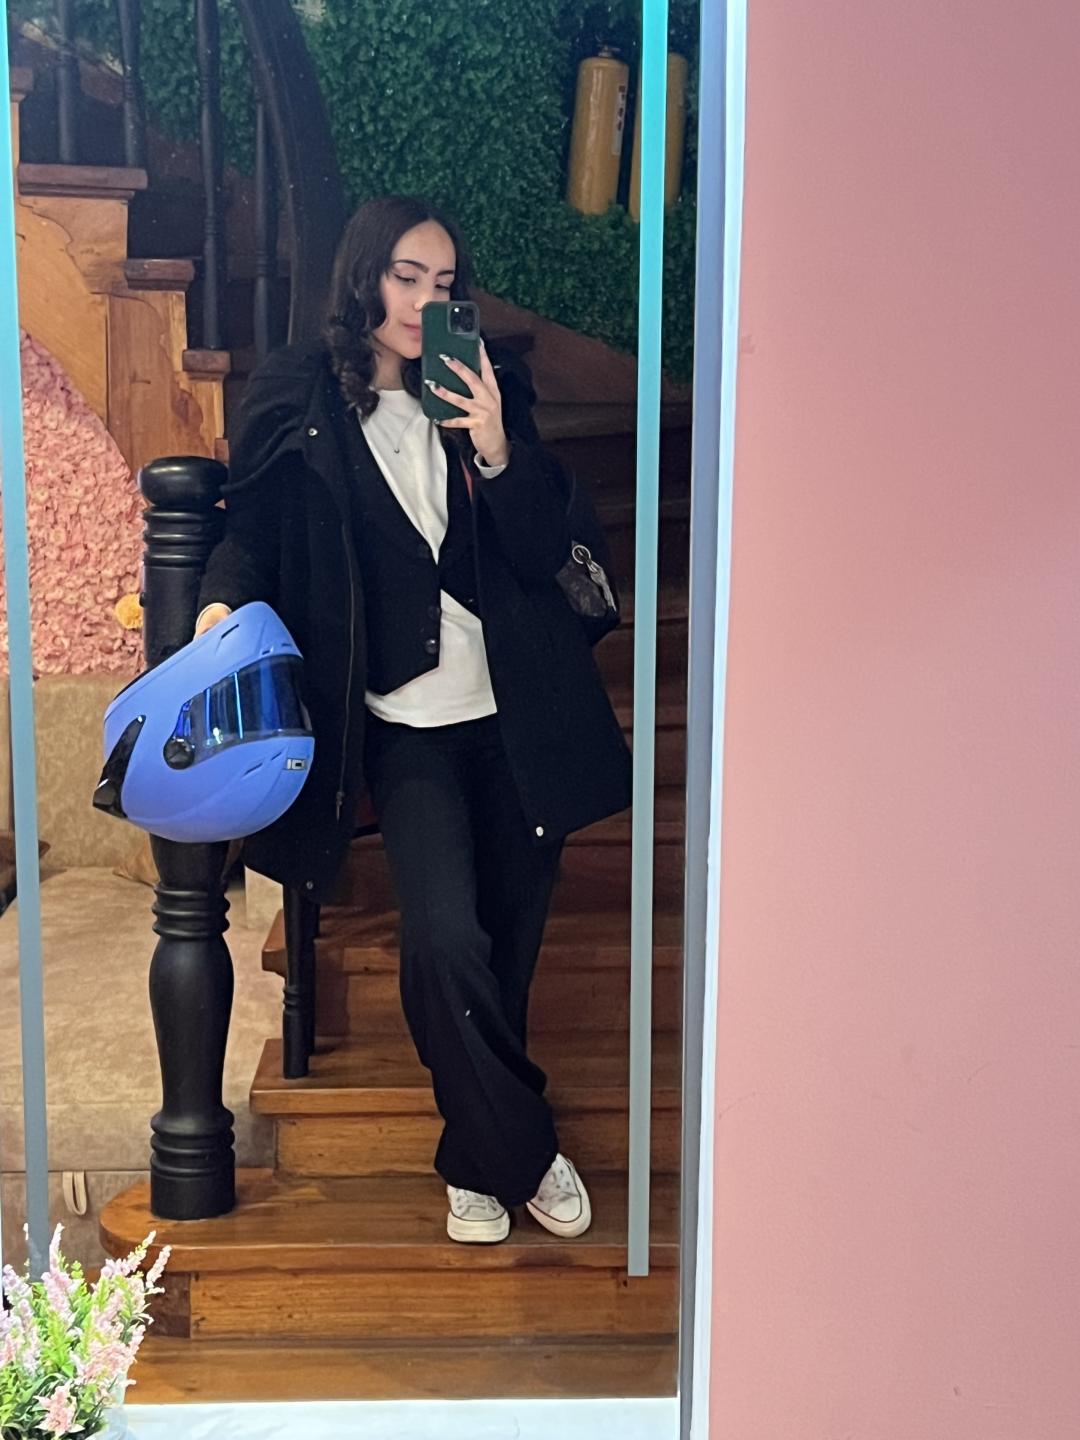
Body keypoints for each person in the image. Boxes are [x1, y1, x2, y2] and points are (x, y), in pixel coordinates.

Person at [195, 194, 633, 1244]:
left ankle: (475, 1162)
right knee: (442, 942)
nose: (421, 302)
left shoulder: (489, 388)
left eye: (443, 285)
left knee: (508, 944)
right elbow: (252, 528)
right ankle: (524, 1149)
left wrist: (495, 447)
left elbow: (545, 551)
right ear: (363, 276)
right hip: (402, 718)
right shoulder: (303, 395)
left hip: (519, 707)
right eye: (404, 276)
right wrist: (219, 605)